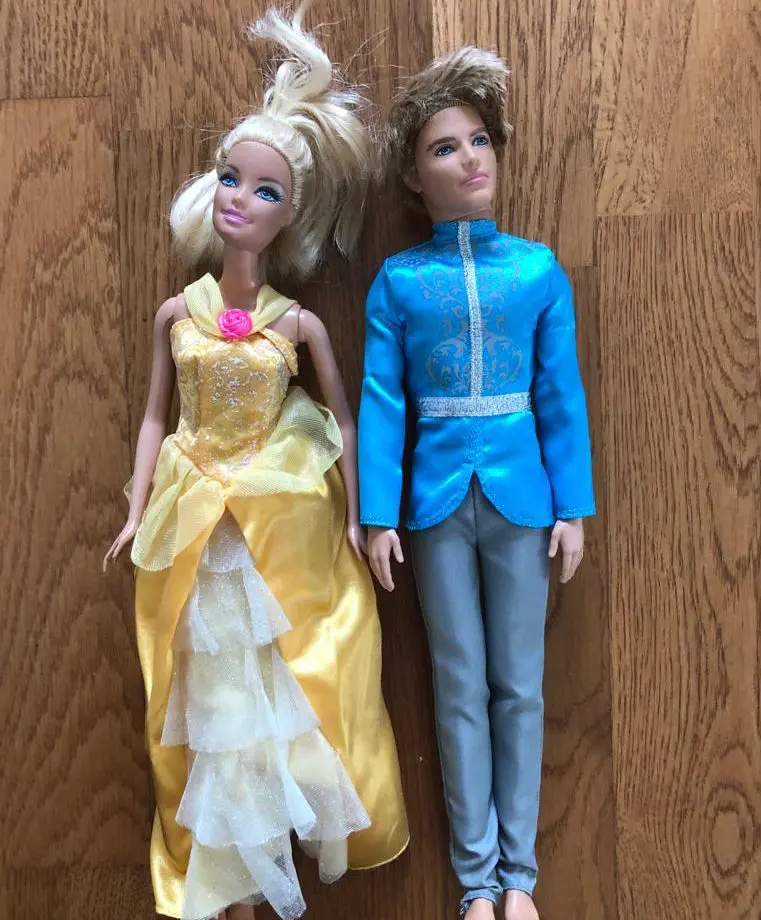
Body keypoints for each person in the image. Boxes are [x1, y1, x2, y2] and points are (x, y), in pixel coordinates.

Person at [103, 8, 408, 919]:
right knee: (211, 699)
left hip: (274, 520)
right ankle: (229, 889)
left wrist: (357, 515)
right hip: (197, 514)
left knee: (281, 689)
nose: (239, 198)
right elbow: (155, 415)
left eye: (264, 190)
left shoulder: (297, 325)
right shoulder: (177, 313)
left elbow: (343, 419)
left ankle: (267, 874)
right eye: (231, 177)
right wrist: (135, 509)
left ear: (290, 215)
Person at [358, 47, 595, 920]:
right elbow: (382, 401)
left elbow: (560, 394)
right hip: (432, 504)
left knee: (520, 684)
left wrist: (573, 506)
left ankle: (519, 878)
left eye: (479, 140)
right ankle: (476, 883)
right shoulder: (397, 281)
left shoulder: (536, 270)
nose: (469, 159)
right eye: (444, 148)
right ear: (413, 177)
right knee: (457, 682)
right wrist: (377, 513)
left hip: (523, 498)